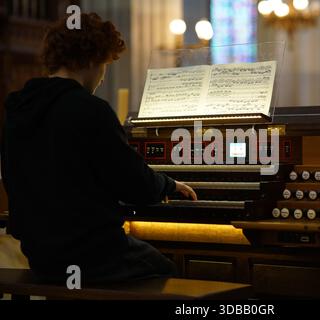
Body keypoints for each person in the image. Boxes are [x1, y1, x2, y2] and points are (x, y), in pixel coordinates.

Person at [0, 13, 197, 284]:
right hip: (91, 255)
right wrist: (168, 185)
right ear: (92, 59)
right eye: (105, 65)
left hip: (40, 255)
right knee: (166, 271)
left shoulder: (18, 109)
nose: (103, 77)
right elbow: (133, 183)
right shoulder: (90, 109)